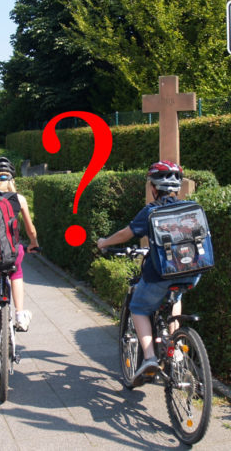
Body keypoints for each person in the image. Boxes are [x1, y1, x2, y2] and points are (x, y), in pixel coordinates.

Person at [96, 160, 200, 381]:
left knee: (139, 308)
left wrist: (104, 242)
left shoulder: (152, 211)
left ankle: (150, 357)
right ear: (177, 188)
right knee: (177, 293)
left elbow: (127, 233)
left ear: (154, 188)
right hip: (192, 271)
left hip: (160, 274)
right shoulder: (188, 208)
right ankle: (175, 345)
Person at [0, 157, 40, 366]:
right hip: (11, 253)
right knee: (17, 271)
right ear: (12, 178)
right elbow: (30, 229)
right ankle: (20, 314)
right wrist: (33, 243)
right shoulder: (18, 199)